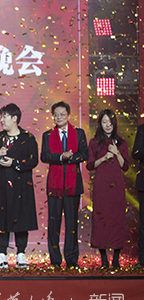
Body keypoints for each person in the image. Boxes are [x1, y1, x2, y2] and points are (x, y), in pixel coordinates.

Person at [0, 103, 38, 269]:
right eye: (1, 117)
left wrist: (14, 163)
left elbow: (33, 160)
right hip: (0, 185)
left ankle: (21, 253)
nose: (1, 120)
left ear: (15, 118)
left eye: (5, 116)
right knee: (0, 218)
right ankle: (2, 253)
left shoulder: (28, 138)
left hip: (21, 185)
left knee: (22, 217)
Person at [40, 101, 88, 269]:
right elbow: (44, 156)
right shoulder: (47, 135)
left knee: (72, 223)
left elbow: (84, 154)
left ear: (68, 115)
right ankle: (55, 260)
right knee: (54, 223)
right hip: (54, 186)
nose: (59, 117)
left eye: (62, 114)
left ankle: (72, 259)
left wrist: (71, 157)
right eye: (56, 115)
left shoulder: (79, 133)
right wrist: (61, 157)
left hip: (73, 185)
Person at [87, 109, 129, 269]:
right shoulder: (94, 142)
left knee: (117, 218)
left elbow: (125, 166)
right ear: (100, 123)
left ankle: (116, 258)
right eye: (104, 122)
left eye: (110, 122)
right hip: (101, 185)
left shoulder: (122, 143)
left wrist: (116, 153)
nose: (108, 125)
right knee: (101, 217)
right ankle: (103, 258)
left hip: (117, 186)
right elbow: (90, 165)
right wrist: (104, 157)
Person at [133, 122, 144, 269]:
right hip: (143, 182)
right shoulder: (142, 129)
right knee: (143, 222)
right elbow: (135, 153)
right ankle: (143, 259)